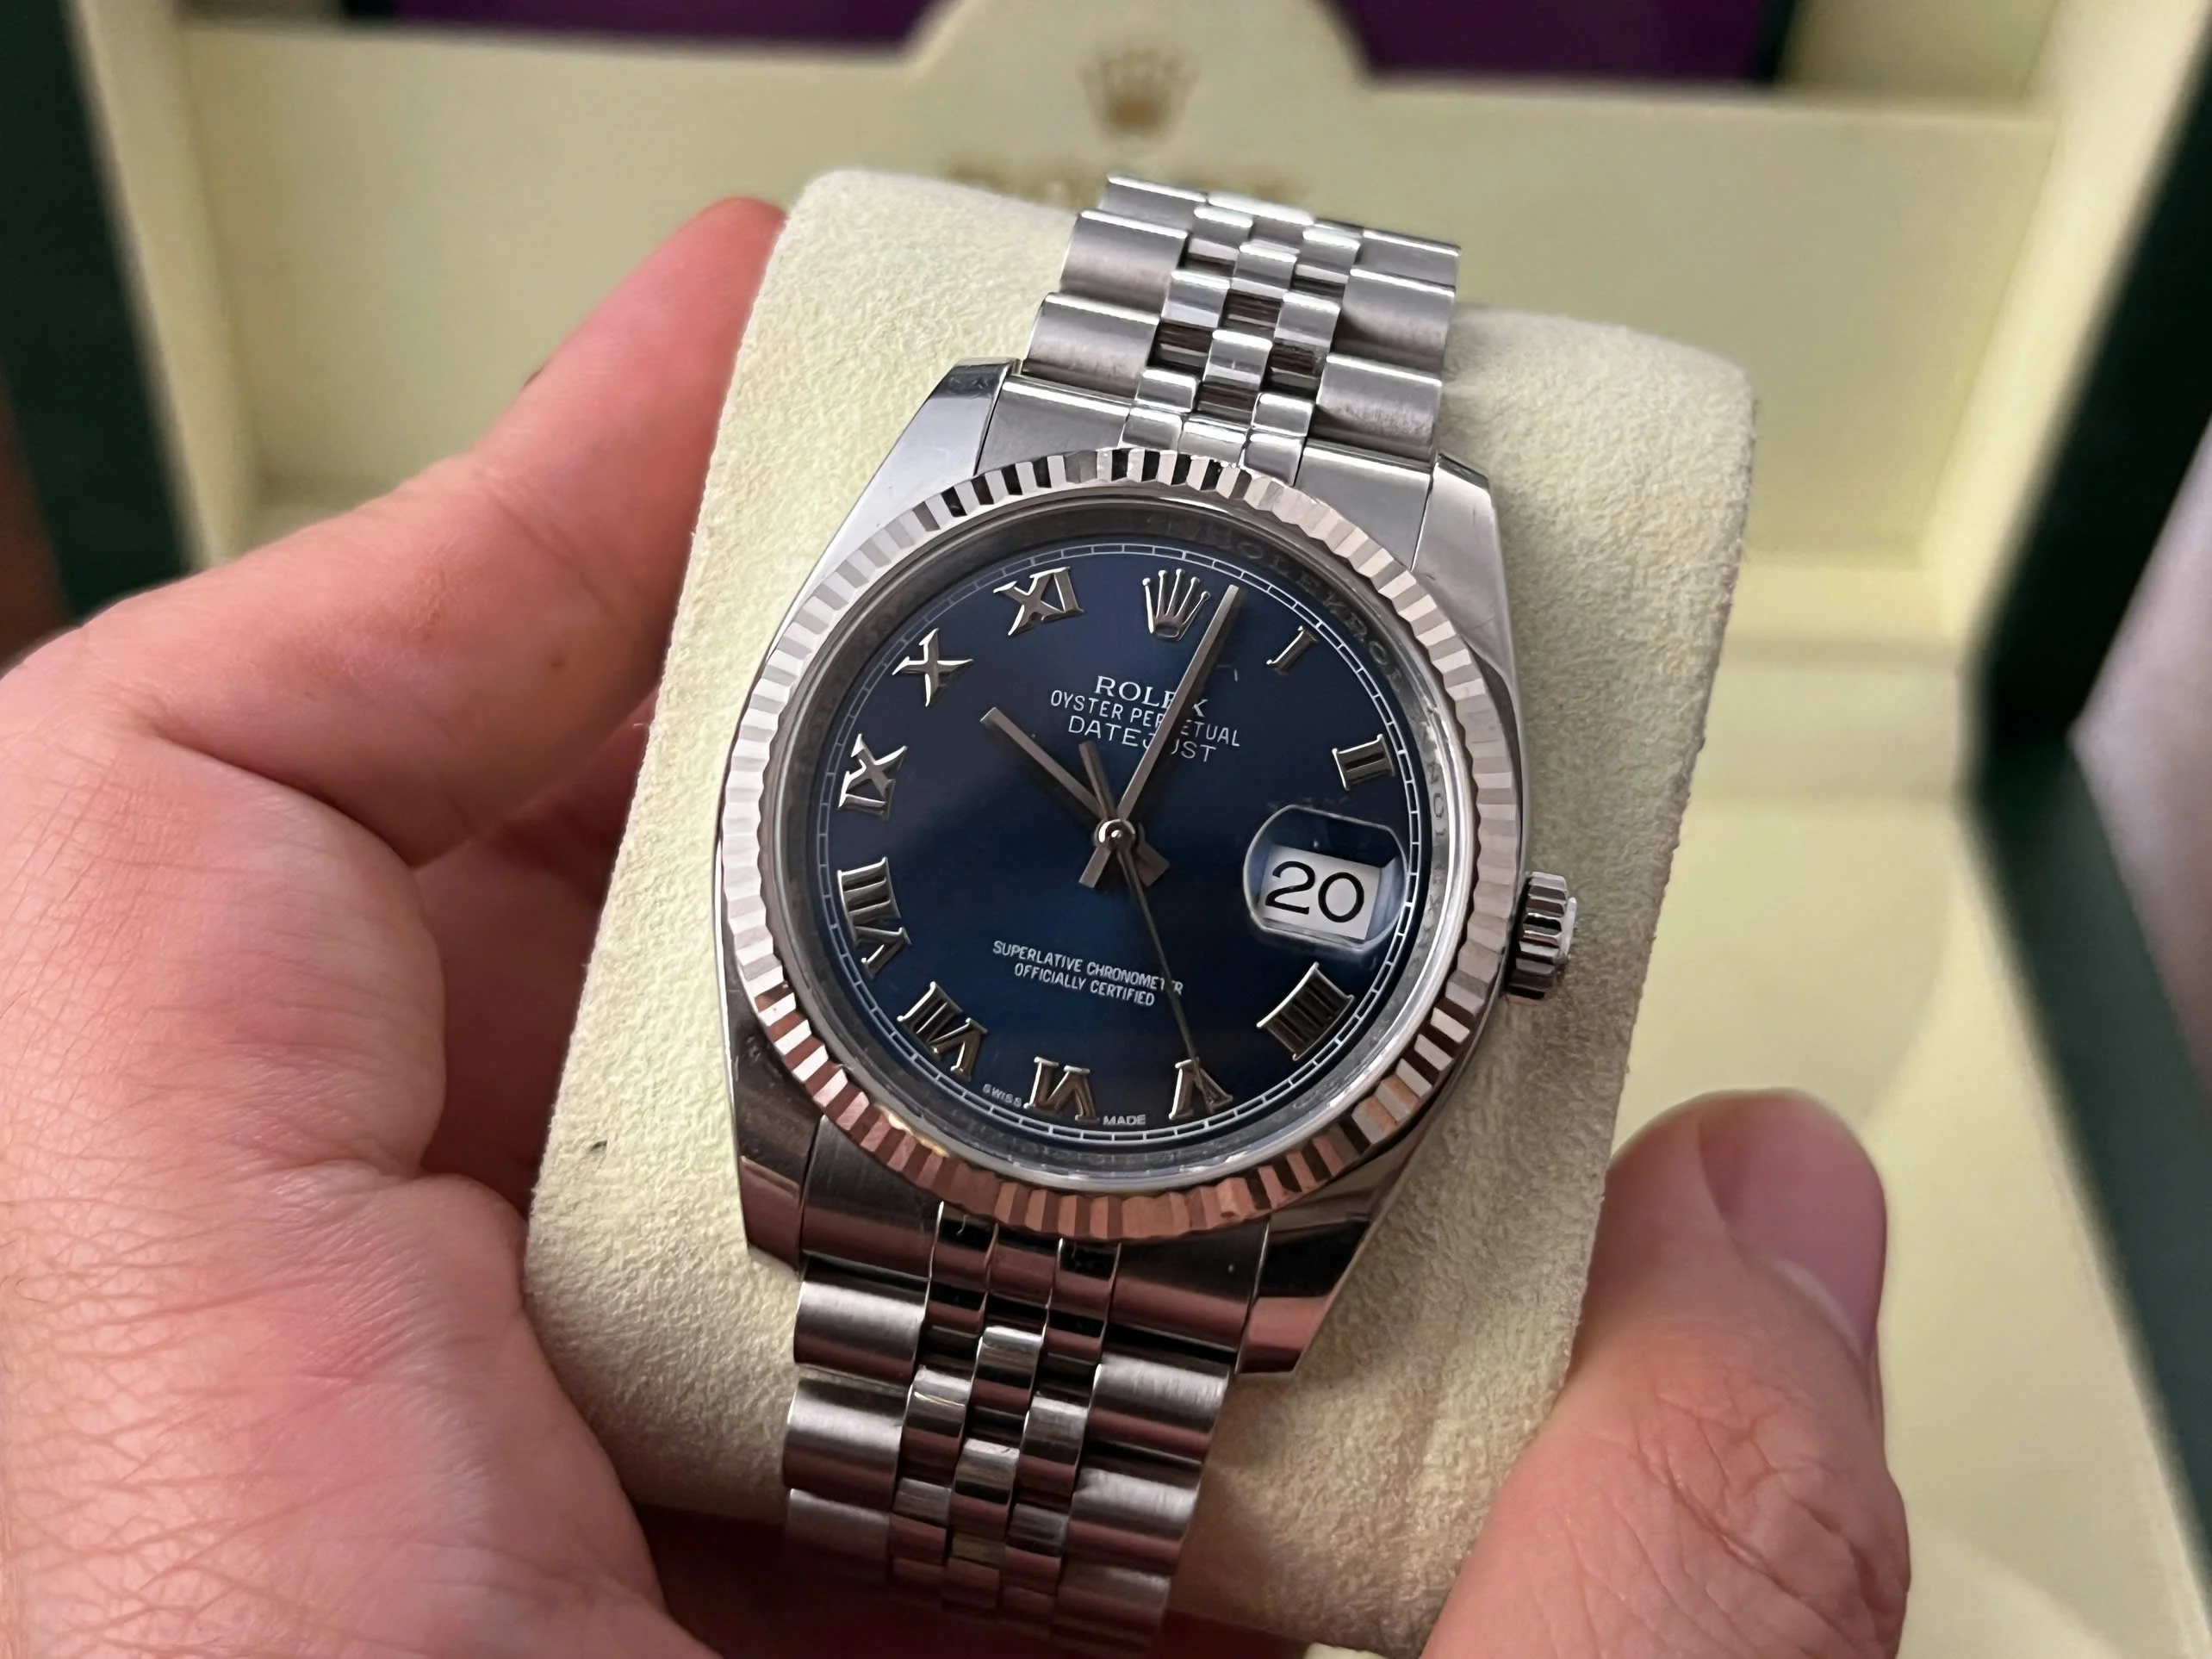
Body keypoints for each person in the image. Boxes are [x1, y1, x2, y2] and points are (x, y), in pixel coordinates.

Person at [0, 200, 1907, 1658]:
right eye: (1083, 804)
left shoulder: (1412, 671)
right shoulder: (947, 552)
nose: (1117, 837)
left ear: (1505, 935)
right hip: (902, 1119)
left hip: (1179, 1180)